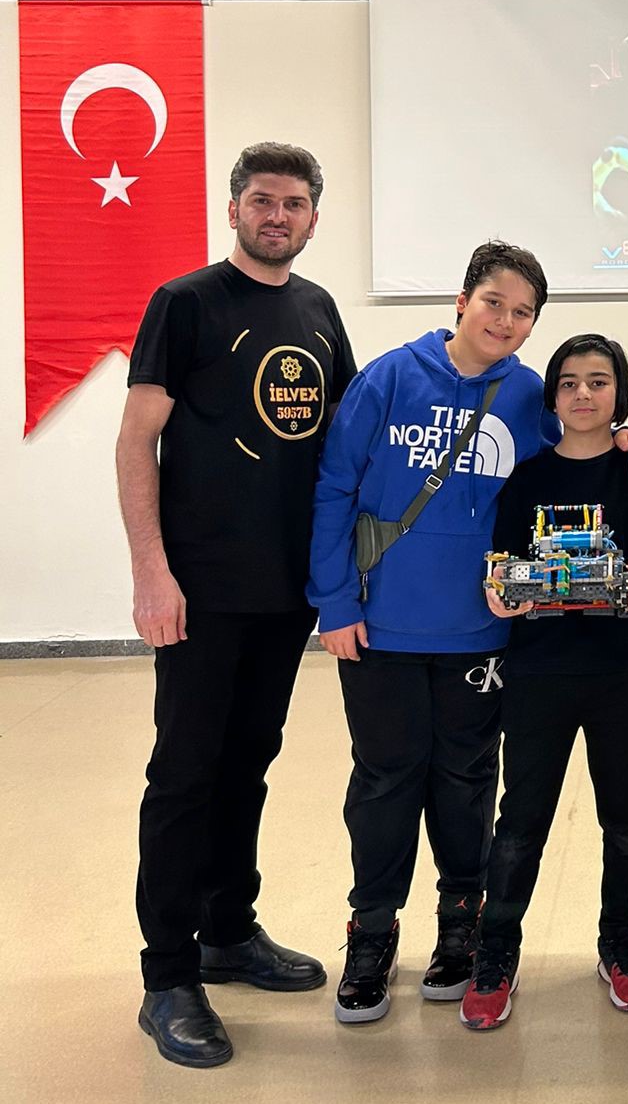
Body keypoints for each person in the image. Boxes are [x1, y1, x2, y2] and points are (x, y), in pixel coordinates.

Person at [306, 244, 628, 1026]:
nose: (505, 320)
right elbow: (332, 487)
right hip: (382, 625)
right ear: (462, 301)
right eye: (494, 302)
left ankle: (461, 924)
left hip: (483, 633)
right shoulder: (387, 379)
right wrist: (334, 604)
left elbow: (579, 443)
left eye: (522, 312)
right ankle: (372, 930)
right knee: (386, 779)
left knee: (467, 781)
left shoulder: (528, 393)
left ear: (533, 325)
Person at [117, 141, 355, 1068]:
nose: (276, 216)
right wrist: (151, 571)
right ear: (234, 209)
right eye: (262, 200)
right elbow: (136, 441)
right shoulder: (184, 303)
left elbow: (348, 437)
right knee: (184, 774)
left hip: (285, 591)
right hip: (200, 590)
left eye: (293, 204)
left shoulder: (319, 310)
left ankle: (227, 930)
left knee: (248, 762)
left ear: (313, 218)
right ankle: (168, 976)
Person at [460, 334, 628, 1029]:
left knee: (625, 819)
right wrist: (501, 594)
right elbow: (503, 566)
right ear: (552, 396)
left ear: (619, 392)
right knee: (521, 821)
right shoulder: (525, 479)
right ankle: (497, 950)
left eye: (599, 381)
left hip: (620, 672)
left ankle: (621, 944)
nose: (584, 394)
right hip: (539, 672)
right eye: (571, 382)